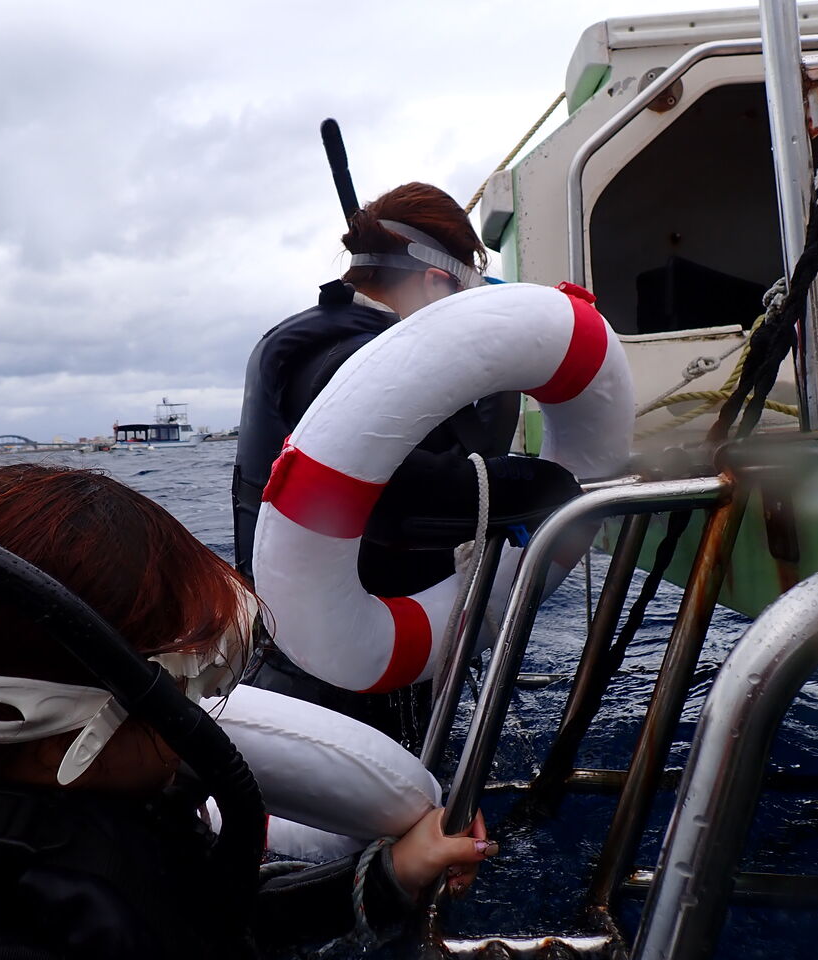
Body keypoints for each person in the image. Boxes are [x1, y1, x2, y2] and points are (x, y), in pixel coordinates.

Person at [0, 464, 496, 960]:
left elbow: (192, 915)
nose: (203, 715)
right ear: (69, 731)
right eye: (195, 683)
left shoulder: (51, 781)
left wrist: (390, 877)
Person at [233, 183, 581, 750]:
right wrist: (555, 489)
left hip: (327, 660)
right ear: (437, 281)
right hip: (331, 681)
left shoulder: (336, 342)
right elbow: (401, 507)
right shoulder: (348, 362)